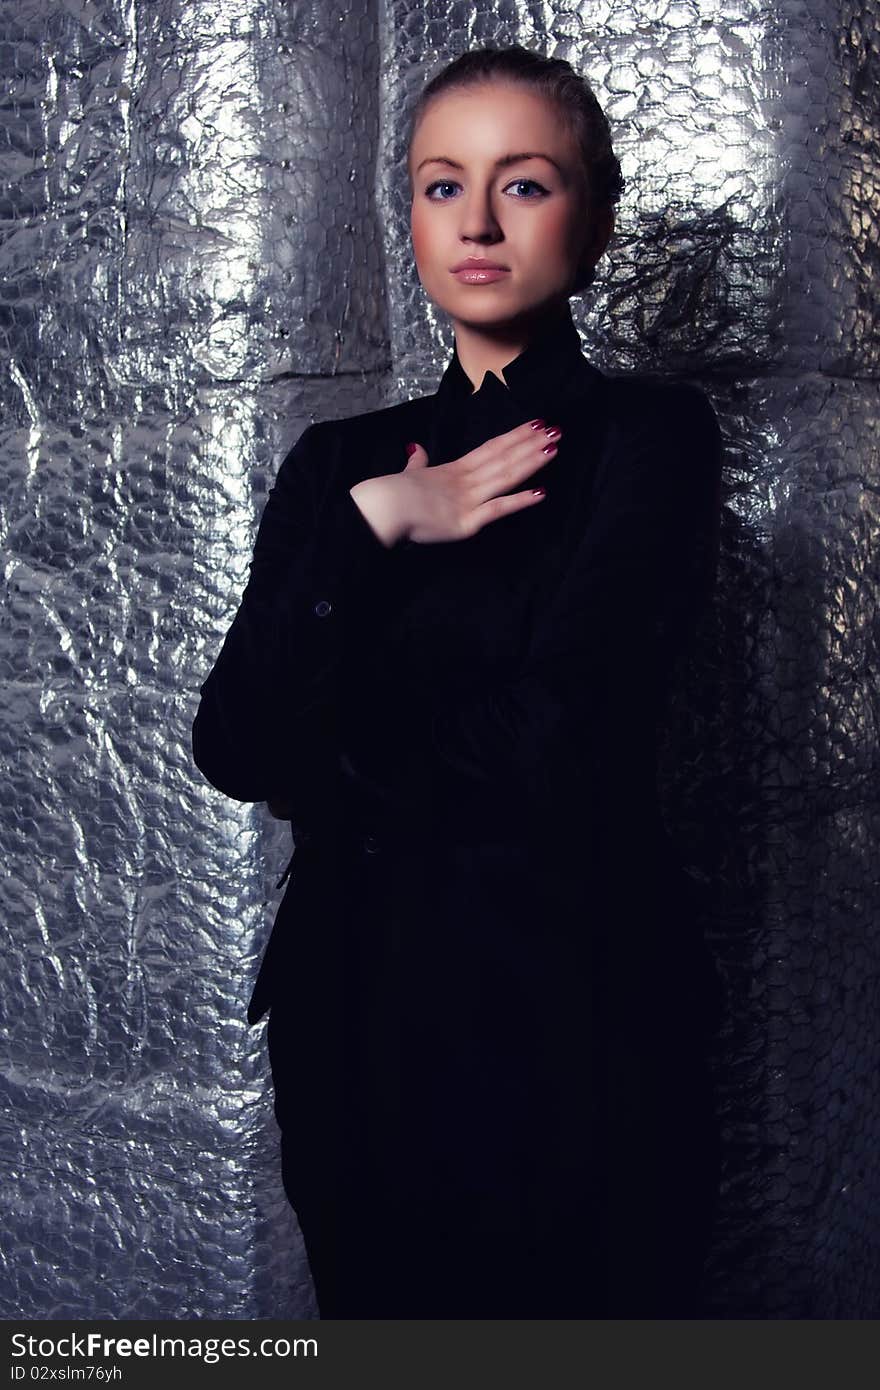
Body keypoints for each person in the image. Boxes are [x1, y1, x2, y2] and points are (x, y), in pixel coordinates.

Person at [192, 44, 725, 1318]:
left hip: (569, 1016)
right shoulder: (341, 469)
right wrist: (379, 519)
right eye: (441, 186)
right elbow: (229, 742)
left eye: (524, 184)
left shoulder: (648, 437)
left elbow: (554, 747)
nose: (476, 222)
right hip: (354, 1023)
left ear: (593, 217)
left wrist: (322, 756)